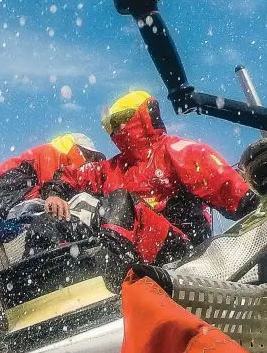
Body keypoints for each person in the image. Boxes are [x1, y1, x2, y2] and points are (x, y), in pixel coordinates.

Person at [40, 91, 259, 266]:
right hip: (138, 252)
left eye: (118, 120)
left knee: (119, 200)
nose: (114, 130)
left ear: (141, 117)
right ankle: (56, 273)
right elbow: (72, 175)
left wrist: (257, 209)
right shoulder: (112, 167)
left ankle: (115, 271)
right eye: (109, 126)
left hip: (182, 249)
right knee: (52, 218)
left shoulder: (177, 151)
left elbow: (227, 187)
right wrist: (54, 195)